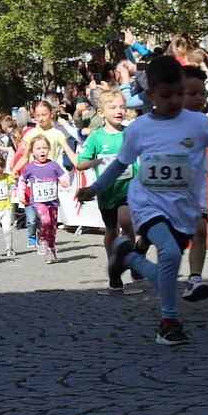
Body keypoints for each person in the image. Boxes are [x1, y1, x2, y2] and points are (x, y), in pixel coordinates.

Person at [77, 56, 208, 346]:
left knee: (170, 263)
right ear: (151, 96)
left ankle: (127, 257)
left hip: (182, 208)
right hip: (148, 204)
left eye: (179, 93)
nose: (174, 100)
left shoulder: (197, 122)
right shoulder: (139, 128)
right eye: (166, 95)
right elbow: (120, 164)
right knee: (171, 254)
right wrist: (95, 188)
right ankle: (169, 323)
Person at [77, 89, 138, 290]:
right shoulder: (96, 138)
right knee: (111, 229)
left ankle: (133, 258)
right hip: (106, 192)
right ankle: (114, 266)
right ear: (101, 112)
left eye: (122, 107)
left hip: (128, 188)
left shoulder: (130, 132)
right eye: (113, 107)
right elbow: (80, 164)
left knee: (126, 220)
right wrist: (94, 161)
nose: (119, 111)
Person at [180, 66, 208, 301]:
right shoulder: (160, 121)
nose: (199, 98)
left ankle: (194, 278)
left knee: (200, 230)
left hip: (196, 188)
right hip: (168, 191)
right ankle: (141, 246)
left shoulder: (203, 120)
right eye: (192, 93)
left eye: (202, 93)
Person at [18, 134, 70, 262]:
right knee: (45, 220)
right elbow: (22, 180)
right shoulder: (30, 167)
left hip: (52, 201)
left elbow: (63, 176)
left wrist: (64, 182)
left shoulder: (54, 165)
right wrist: (21, 193)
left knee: (52, 227)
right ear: (32, 152)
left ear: (49, 149)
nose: (42, 151)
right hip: (38, 201)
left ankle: (51, 251)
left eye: (44, 148)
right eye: (38, 148)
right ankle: (41, 238)